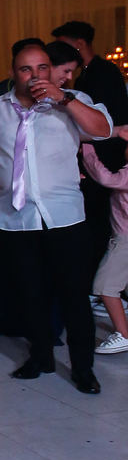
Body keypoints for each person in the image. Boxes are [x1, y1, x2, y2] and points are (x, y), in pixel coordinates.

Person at [0, 38, 112, 393]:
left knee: (74, 295)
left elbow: (103, 130)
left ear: (51, 70)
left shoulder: (73, 101)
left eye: (42, 67)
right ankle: (41, 356)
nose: (35, 75)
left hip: (65, 217)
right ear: (13, 73)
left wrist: (64, 99)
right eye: (26, 69)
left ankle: (83, 368)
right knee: (29, 293)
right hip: (15, 217)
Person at [51, 20, 128, 277]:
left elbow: (95, 122)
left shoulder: (103, 71)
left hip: (105, 155)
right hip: (94, 154)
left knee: (101, 222)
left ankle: (100, 284)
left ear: (79, 44)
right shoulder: (85, 73)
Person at [79, 137, 128, 356]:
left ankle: (124, 335)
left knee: (105, 286)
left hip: (125, 238)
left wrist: (88, 148)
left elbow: (105, 178)